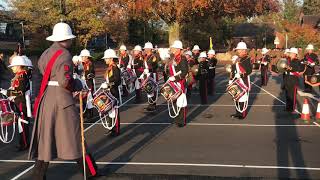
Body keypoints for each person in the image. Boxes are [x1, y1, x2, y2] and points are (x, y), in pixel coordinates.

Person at [28, 22, 98, 180]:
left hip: (47, 98)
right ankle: (91, 172)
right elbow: (65, 81)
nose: (71, 41)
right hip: (62, 100)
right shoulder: (65, 54)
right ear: (66, 39)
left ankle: (38, 176)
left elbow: (40, 71)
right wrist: (78, 83)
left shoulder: (46, 53)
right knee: (76, 137)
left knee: (46, 140)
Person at [0, 56, 30, 151]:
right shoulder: (19, 75)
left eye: (13, 66)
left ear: (19, 66)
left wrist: (7, 93)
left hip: (21, 102)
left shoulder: (21, 76)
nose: (12, 68)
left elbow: (20, 91)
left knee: (23, 123)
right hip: (18, 101)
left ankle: (24, 144)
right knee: (20, 124)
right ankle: (22, 143)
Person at [168, 40, 188, 127]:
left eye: (175, 48)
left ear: (179, 49)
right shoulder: (174, 58)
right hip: (174, 81)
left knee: (181, 101)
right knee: (175, 100)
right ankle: (177, 118)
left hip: (180, 82)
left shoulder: (182, 58)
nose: (173, 49)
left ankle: (182, 120)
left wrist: (175, 78)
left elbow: (184, 72)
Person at [230, 42, 252, 119]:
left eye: (239, 50)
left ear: (244, 50)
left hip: (243, 80)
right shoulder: (237, 58)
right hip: (236, 80)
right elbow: (233, 70)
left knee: (243, 97)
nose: (238, 51)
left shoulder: (247, 59)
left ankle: (242, 114)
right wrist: (231, 79)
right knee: (237, 97)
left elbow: (249, 70)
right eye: (238, 50)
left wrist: (241, 75)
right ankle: (238, 113)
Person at [101, 49, 121, 136]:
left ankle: (116, 129)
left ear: (111, 59)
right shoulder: (109, 68)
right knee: (109, 110)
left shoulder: (115, 68)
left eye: (106, 58)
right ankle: (111, 128)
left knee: (114, 111)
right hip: (109, 92)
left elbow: (118, 81)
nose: (105, 60)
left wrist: (108, 84)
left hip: (114, 92)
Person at [284, 48, 304, 113]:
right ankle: (288, 107)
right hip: (287, 78)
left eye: (291, 53)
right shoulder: (287, 60)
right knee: (287, 94)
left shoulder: (297, 61)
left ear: (295, 54)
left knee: (292, 95)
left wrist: (290, 68)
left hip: (293, 79)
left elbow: (298, 68)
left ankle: (292, 108)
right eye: (289, 53)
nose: (290, 54)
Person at [143, 42, 159, 111]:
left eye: (146, 48)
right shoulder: (146, 57)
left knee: (152, 89)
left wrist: (149, 70)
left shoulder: (153, 57)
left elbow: (155, 66)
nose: (145, 50)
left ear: (150, 49)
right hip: (147, 74)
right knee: (148, 89)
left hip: (152, 74)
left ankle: (153, 104)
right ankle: (150, 104)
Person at [79, 49, 95, 118]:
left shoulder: (90, 64)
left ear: (86, 57)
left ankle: (90, 114)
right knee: (83, 98)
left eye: (83, 57)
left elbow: (92, 73)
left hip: (88, 83)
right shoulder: (81, 64)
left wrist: (86, 75)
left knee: (89, 98)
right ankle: (85, 112)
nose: (82, 58)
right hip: (82, 83)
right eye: (82, 57)